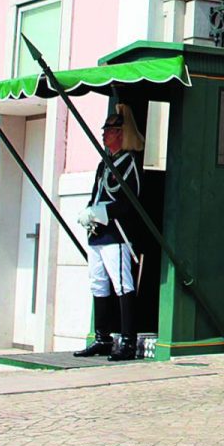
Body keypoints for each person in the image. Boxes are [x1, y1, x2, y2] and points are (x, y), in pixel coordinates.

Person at [74, 99, 147, 361]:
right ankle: (102, 338)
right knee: (98, 284)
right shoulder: (105, 163)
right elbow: (97, 194)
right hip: (98, 234)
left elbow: (130, 199)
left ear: (121, 134)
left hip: (117, 233)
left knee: (122, 284)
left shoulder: (129, 163)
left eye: (110, 130)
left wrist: (103, 212)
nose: (105, 134)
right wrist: (90, 212)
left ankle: (128, 340)